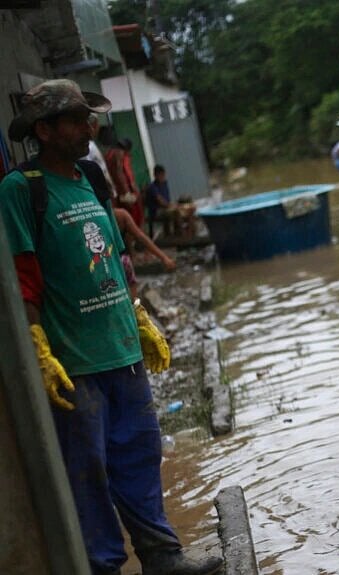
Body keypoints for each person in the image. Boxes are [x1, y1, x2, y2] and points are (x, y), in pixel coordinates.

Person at [0, 79, 222, 575]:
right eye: (77, 119)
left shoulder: (91, 178)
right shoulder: (22, 190)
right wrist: (38, 347)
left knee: (140, 457)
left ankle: (163, 558)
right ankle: (103, 567)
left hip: (121, 350)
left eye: (88, 117)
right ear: (45, 129)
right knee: (89, 472)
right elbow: (24, 279)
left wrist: (137, 315)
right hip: (74, 360)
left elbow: (117, 258)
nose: (89, 126)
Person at [105, 137, 144, 229]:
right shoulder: (118, 154)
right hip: (123, 192)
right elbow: (119, 173)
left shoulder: (110, 154)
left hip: (117, 192)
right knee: (134, 215)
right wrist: (127, 192)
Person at [144, 165, 181, 238]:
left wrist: (173, 205)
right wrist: (172, 206)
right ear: (155, 175)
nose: (162, 177)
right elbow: (161, 201)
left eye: (163, 175)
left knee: (179, 210)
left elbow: (167, 199)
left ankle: (177, 233)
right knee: (175, 213)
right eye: (160, 175)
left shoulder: (165, 184)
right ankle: (173, 235)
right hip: (156, 211)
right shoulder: (152, 187)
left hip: (165, 208)